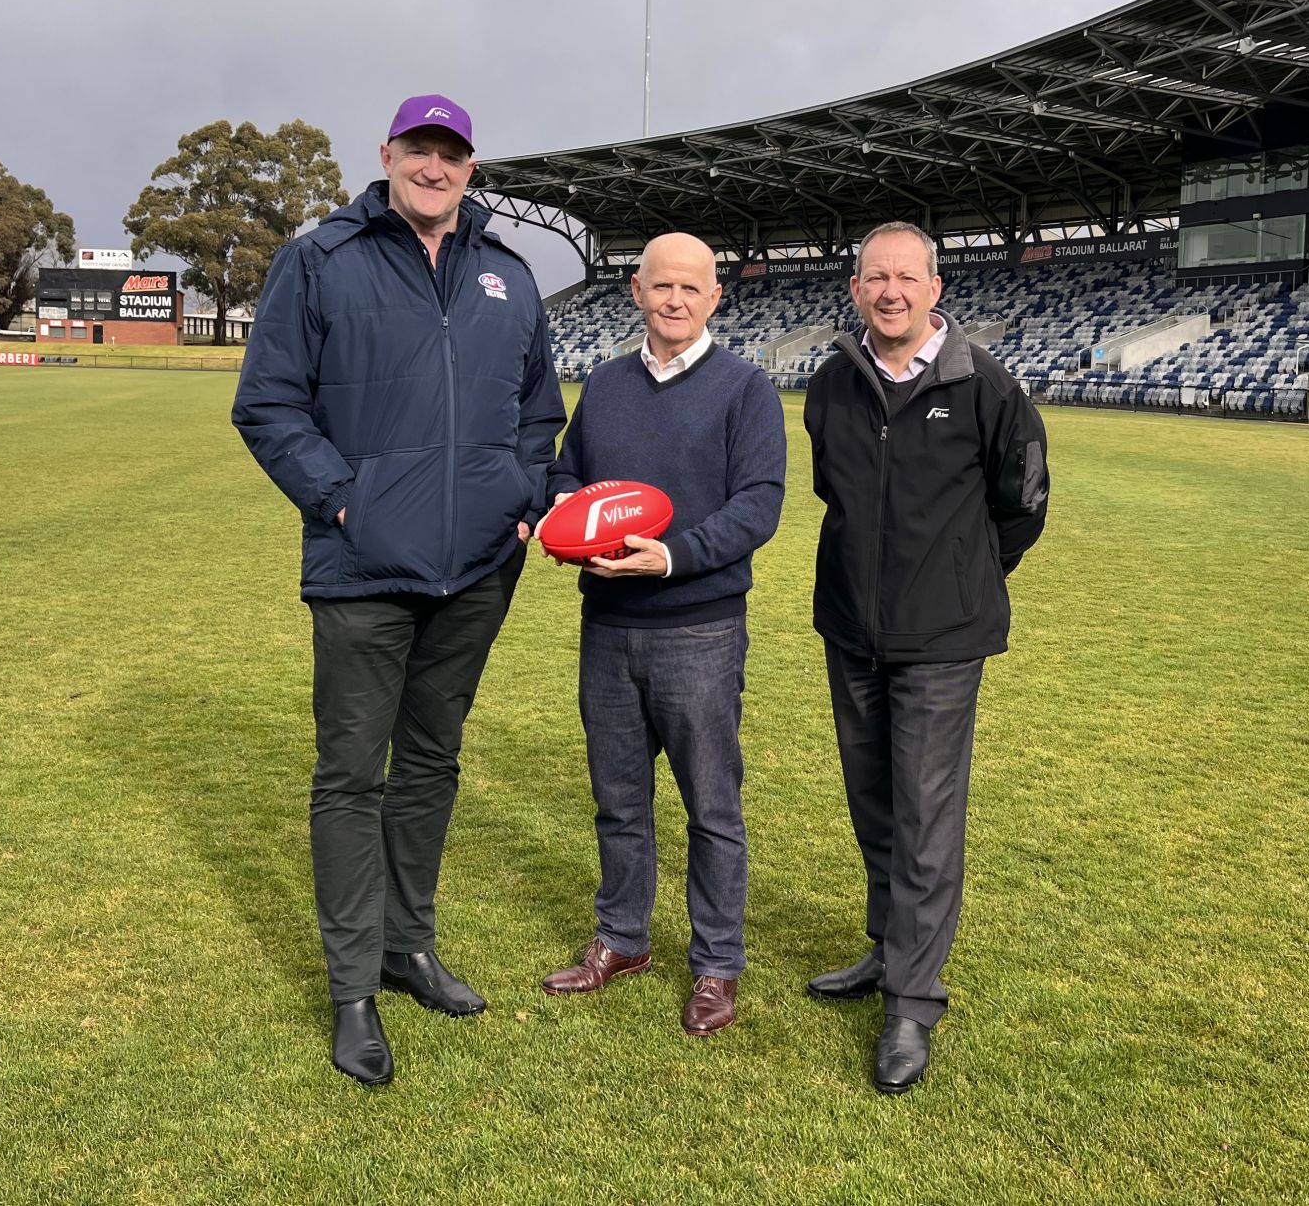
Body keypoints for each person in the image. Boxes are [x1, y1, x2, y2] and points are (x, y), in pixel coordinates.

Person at [232, 94, 566, 1086]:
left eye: (451, 152)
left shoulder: (507, 275)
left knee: (430, 762)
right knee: (350, 774)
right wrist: (342, 504)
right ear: (385, 156)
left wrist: (519, 498)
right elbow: (267, 402)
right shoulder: (320, 259)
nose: (434, 164)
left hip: (475, 571)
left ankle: (406, 946)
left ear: (470, 166)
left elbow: (537, 412)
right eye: (418, 148)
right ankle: (351, 992)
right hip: (362, 571)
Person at [802, 220, 1050, 1094]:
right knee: (873, 800)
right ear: (858, 288)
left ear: (935, 288)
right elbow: (835, 487)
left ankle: (912, 999)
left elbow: (1019, 505)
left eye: (907, 277)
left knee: (926, 813)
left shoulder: (985, 385)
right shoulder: (832, 381)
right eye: (876, 277)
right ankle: (886, 948)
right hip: (852, 628)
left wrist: (957, 573)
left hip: (942, 639)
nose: (891, 291)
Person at [537, 233, 786, 1038]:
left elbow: (759, 506)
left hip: (700, 629)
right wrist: (572, 523)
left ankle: (717, 964)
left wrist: (671, 556)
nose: (674, 300)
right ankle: (623, 938)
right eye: (660, 285)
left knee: (712, 807)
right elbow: (567, 476)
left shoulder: (746, 390)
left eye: (691, 287)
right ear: (636, 292)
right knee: (618, 801)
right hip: (607, 626)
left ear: (715, 297)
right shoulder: (604, 387)